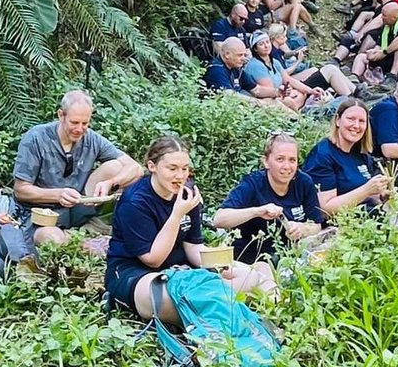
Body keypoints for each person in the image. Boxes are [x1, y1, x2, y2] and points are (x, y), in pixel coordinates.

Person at [106, 135, 277, 323]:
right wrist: (177, 215)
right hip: (138, 274)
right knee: (164, 299)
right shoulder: (135, 201)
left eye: (185, 168)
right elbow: (153, 260)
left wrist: (225, 263)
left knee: (248, 276)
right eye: (172, 169)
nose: (180, 176)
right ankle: (217, 306)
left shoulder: (188, 192)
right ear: (152, 166)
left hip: (183, 272)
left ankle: (207, 307)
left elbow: (193, 247)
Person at [13, 90, 144, 247]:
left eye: (85, 123)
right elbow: (20, 190)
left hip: (79, 207)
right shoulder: (36, 138)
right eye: (74, 123)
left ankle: (86, 233)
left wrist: (111, 182)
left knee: (116, 166)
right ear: (61, 115)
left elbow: (136, 168)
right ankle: (82, 240)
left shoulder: (91, 138)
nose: (79, 129)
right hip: (43, 215)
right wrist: (58, 195)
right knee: (52, 239)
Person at [214, 132, 326, 264]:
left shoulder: (304, 182)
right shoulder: (252, 184)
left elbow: (317, 225)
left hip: (291, 257)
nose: (287, 166)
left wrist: (302, 228)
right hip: (252, 258)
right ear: (266, 162)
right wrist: (257, 211)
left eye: (292, 160)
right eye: (280, 159)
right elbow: (219, 219)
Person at [302, 99, 392, 216]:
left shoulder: (361, 155)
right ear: (338, 120)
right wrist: (366, 190)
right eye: (351, 119)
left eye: (362, 121)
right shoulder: (323, 155)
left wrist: (382, 194)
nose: (356, 125)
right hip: (339, 226)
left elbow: (368, 196)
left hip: (367, 218)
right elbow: (324, 210)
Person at [350, 1, 398, 82]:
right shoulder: (386, 26)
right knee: (361, 57)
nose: (381, 17)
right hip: (388, 58)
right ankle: (354, 77)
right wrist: (374, 53)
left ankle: (392, 76)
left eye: (384, 15)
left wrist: (384, 53)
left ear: (394, 17)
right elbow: (379, 45)